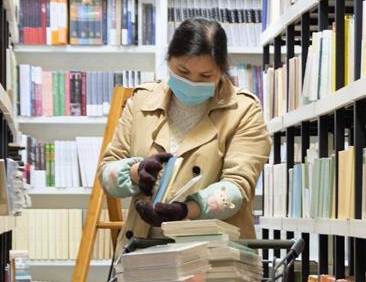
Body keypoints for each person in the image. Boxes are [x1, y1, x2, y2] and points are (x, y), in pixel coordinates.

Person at [99, 17, 271, 252]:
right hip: (143, 250)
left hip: (213, 257)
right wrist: (135, 172)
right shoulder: (141, 101)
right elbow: (107, 172)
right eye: (182, 71)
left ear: (221, 70)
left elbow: (238, 187)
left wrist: (187, 210)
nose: (192, 82)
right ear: (168, 59)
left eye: (205, 76)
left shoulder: (244, 110)